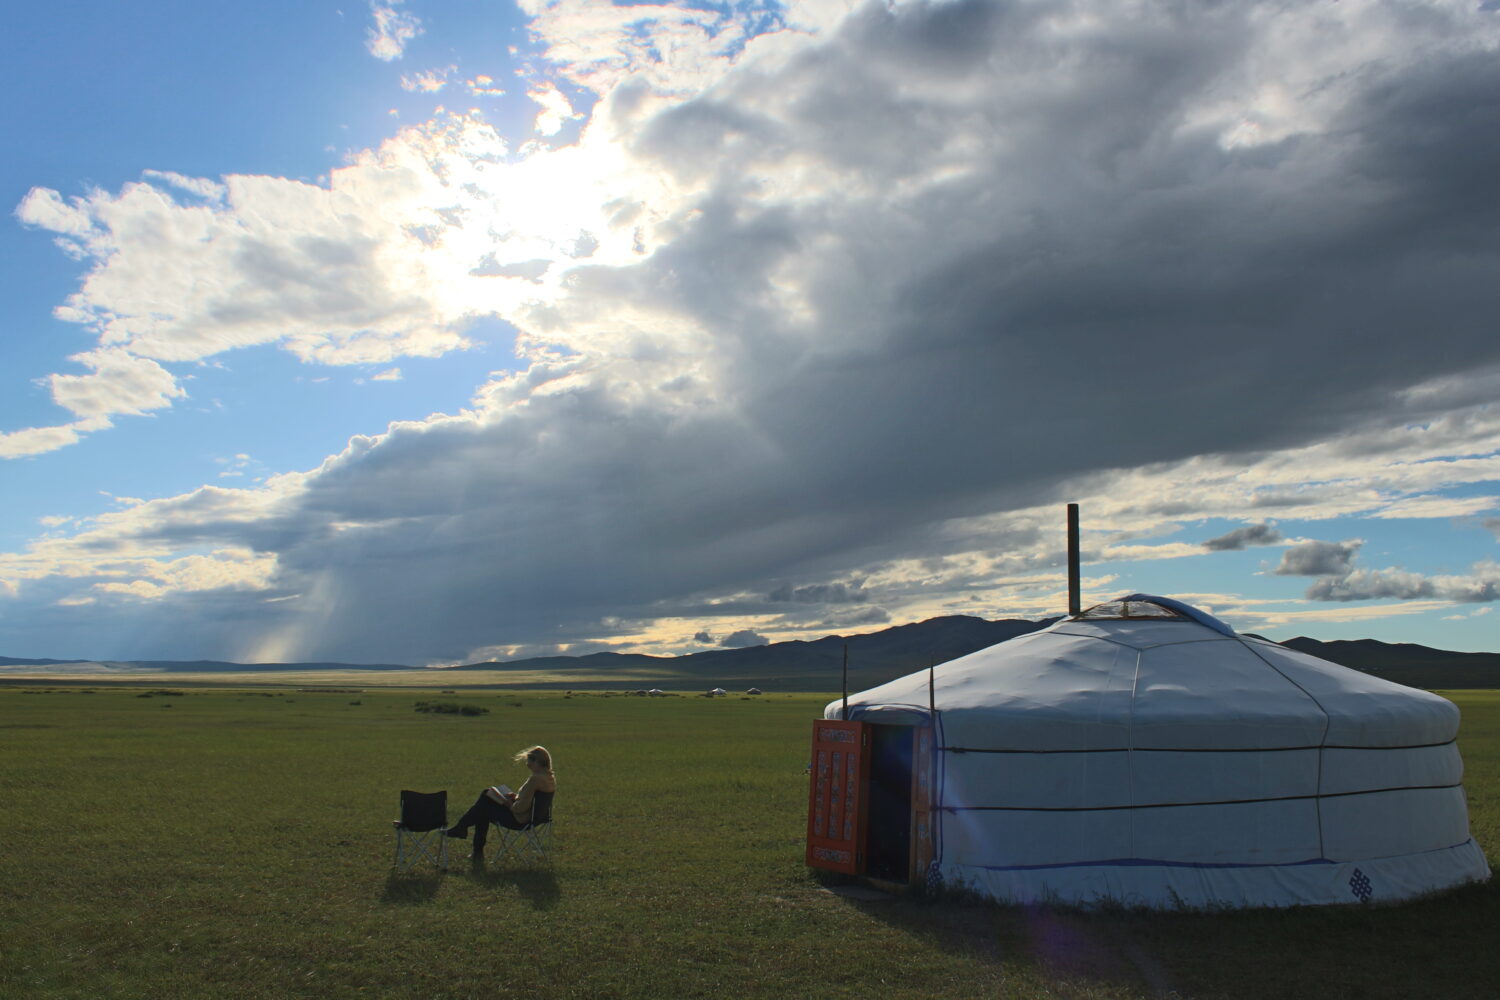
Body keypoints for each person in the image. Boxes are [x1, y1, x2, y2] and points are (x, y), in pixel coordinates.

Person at [447, 745, 556, 862]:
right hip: (536, 819)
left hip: (520, 820)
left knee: (483, 807)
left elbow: (519, 808)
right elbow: (530, 800)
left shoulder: (535, 779)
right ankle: (464, 832)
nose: (527, 764)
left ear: (536, 761)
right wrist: (516, 797)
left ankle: (467, 836)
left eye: (528, 761)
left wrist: (506, 802)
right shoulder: (549, 778)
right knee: (484, 803)